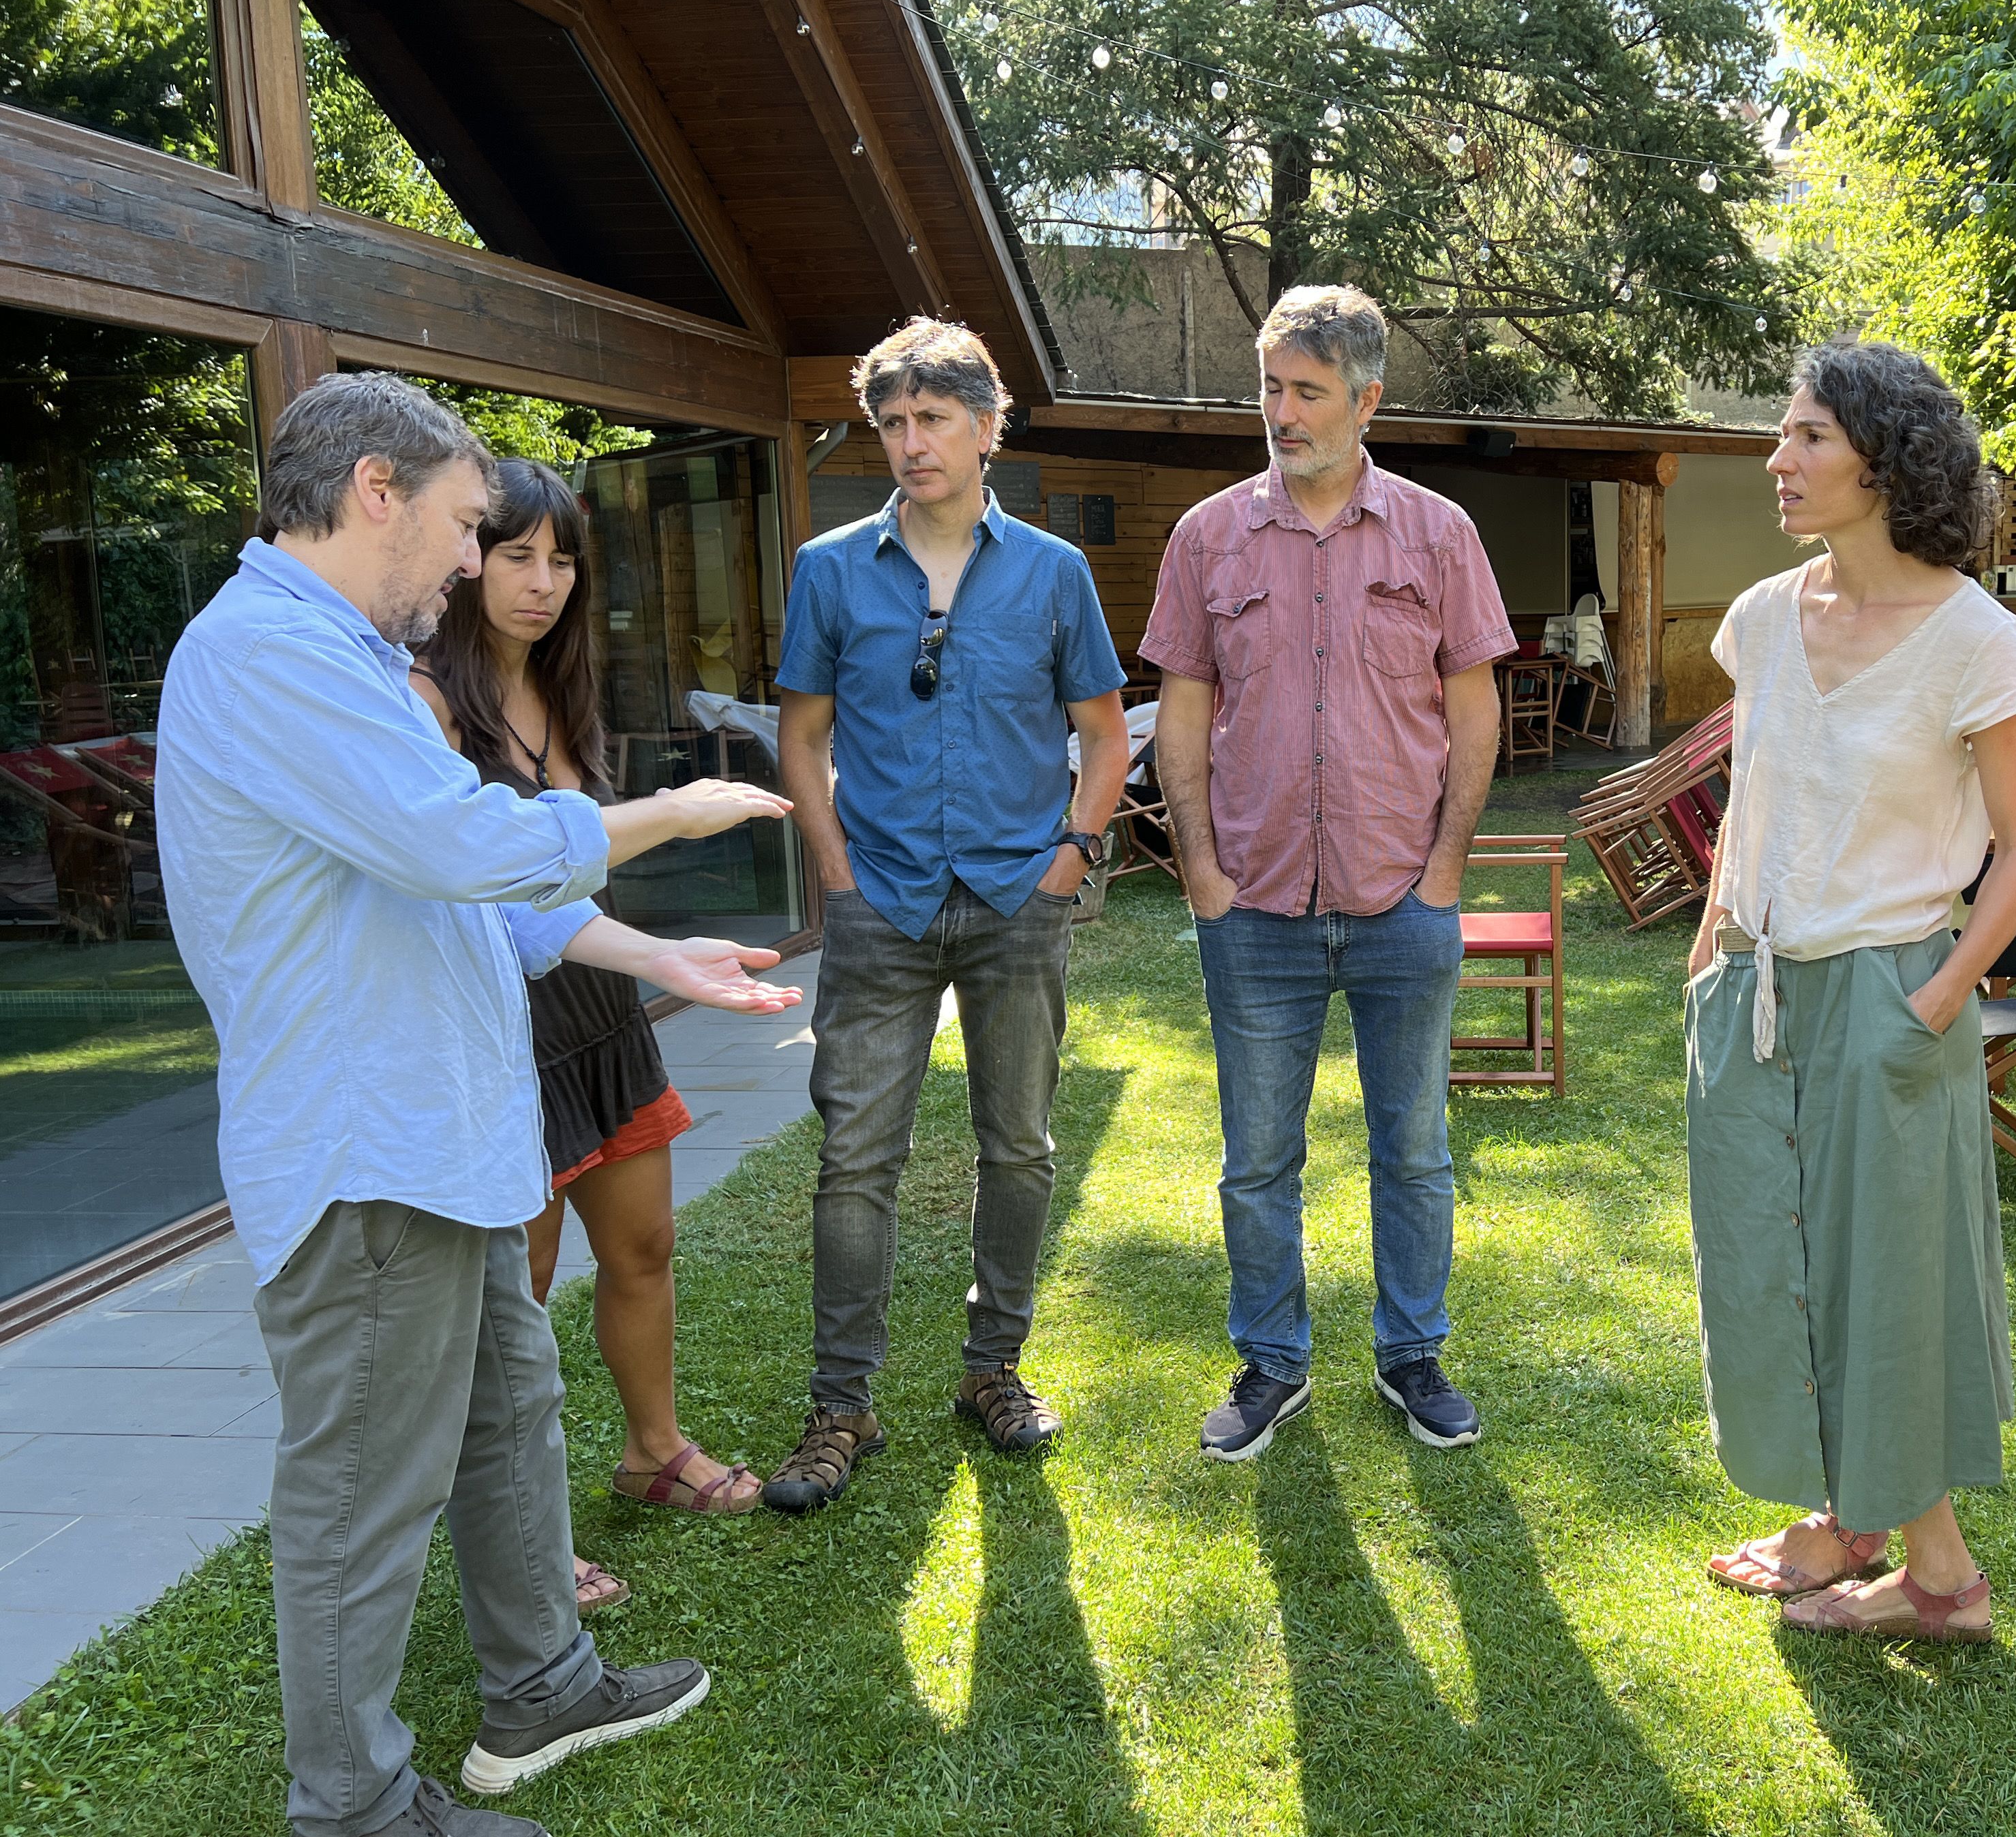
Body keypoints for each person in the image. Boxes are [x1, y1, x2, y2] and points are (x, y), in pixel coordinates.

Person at [157, 373, 800, 1837]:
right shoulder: (262, 656)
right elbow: (463, 846)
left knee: (512, 1413)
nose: (470, 560)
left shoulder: (347, 659)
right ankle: (349, 1817)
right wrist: (672, 814)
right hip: (367, 1151)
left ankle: (543, 1689)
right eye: (460, 524)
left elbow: (461, 902)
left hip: (446, 1140)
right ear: (375, 490)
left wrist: (661, 961)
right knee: (365, 1481)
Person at [1687, 343, 2016, 1642]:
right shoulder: (1763, 617)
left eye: (1807, 439)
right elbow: (1758, 792)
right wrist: (1713, 943)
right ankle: (1851, 1522)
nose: (1778, 462)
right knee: (1770, 1261)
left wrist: (1943, 995)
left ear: (1887, 462)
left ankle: (1944, 1583)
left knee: (1886, 1278)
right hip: (1758, 986)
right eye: (1782, 438)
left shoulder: (1975, 638)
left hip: (1896, 988)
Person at [1142, 284, 1510, 1462]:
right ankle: (1272, 1363)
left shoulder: (1439, 533)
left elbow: (1474, 704)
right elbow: (1180, 710)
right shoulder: (1207, 536)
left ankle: (1412, 1358)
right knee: (1258, 1164)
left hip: (1404, 895)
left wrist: (1446, 870)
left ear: (1367, 400)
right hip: (1254, 906)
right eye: (1270, 388)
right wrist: (1198, 867)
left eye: (1306, 392)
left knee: (1413, 1152)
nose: (1281, 412)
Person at [766, 318, 1128, 1504]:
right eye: (892, 423)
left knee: (1017, 1146)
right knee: (855, 1160)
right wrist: (836, 874)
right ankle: (841, 1408)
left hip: (1017, 898)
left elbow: (1103, 734)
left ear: (987, 428)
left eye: (932, 420)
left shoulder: (1053, 573)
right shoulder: (829, 570)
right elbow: (804, 737)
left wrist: (1068, 862)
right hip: (881, 904)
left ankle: (993, 1370)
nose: (910, 444)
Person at [414, 457, 769, 1622]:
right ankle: (523, 1530)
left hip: (600, 1017)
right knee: (515, 1293)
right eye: (516, 553)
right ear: (466, 560)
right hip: (498, 1036)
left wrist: (664, 961)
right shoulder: (425, 704)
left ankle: (652, 1452)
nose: (543, 581)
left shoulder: (568, 695)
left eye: (562, 558)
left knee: (647, 1247)